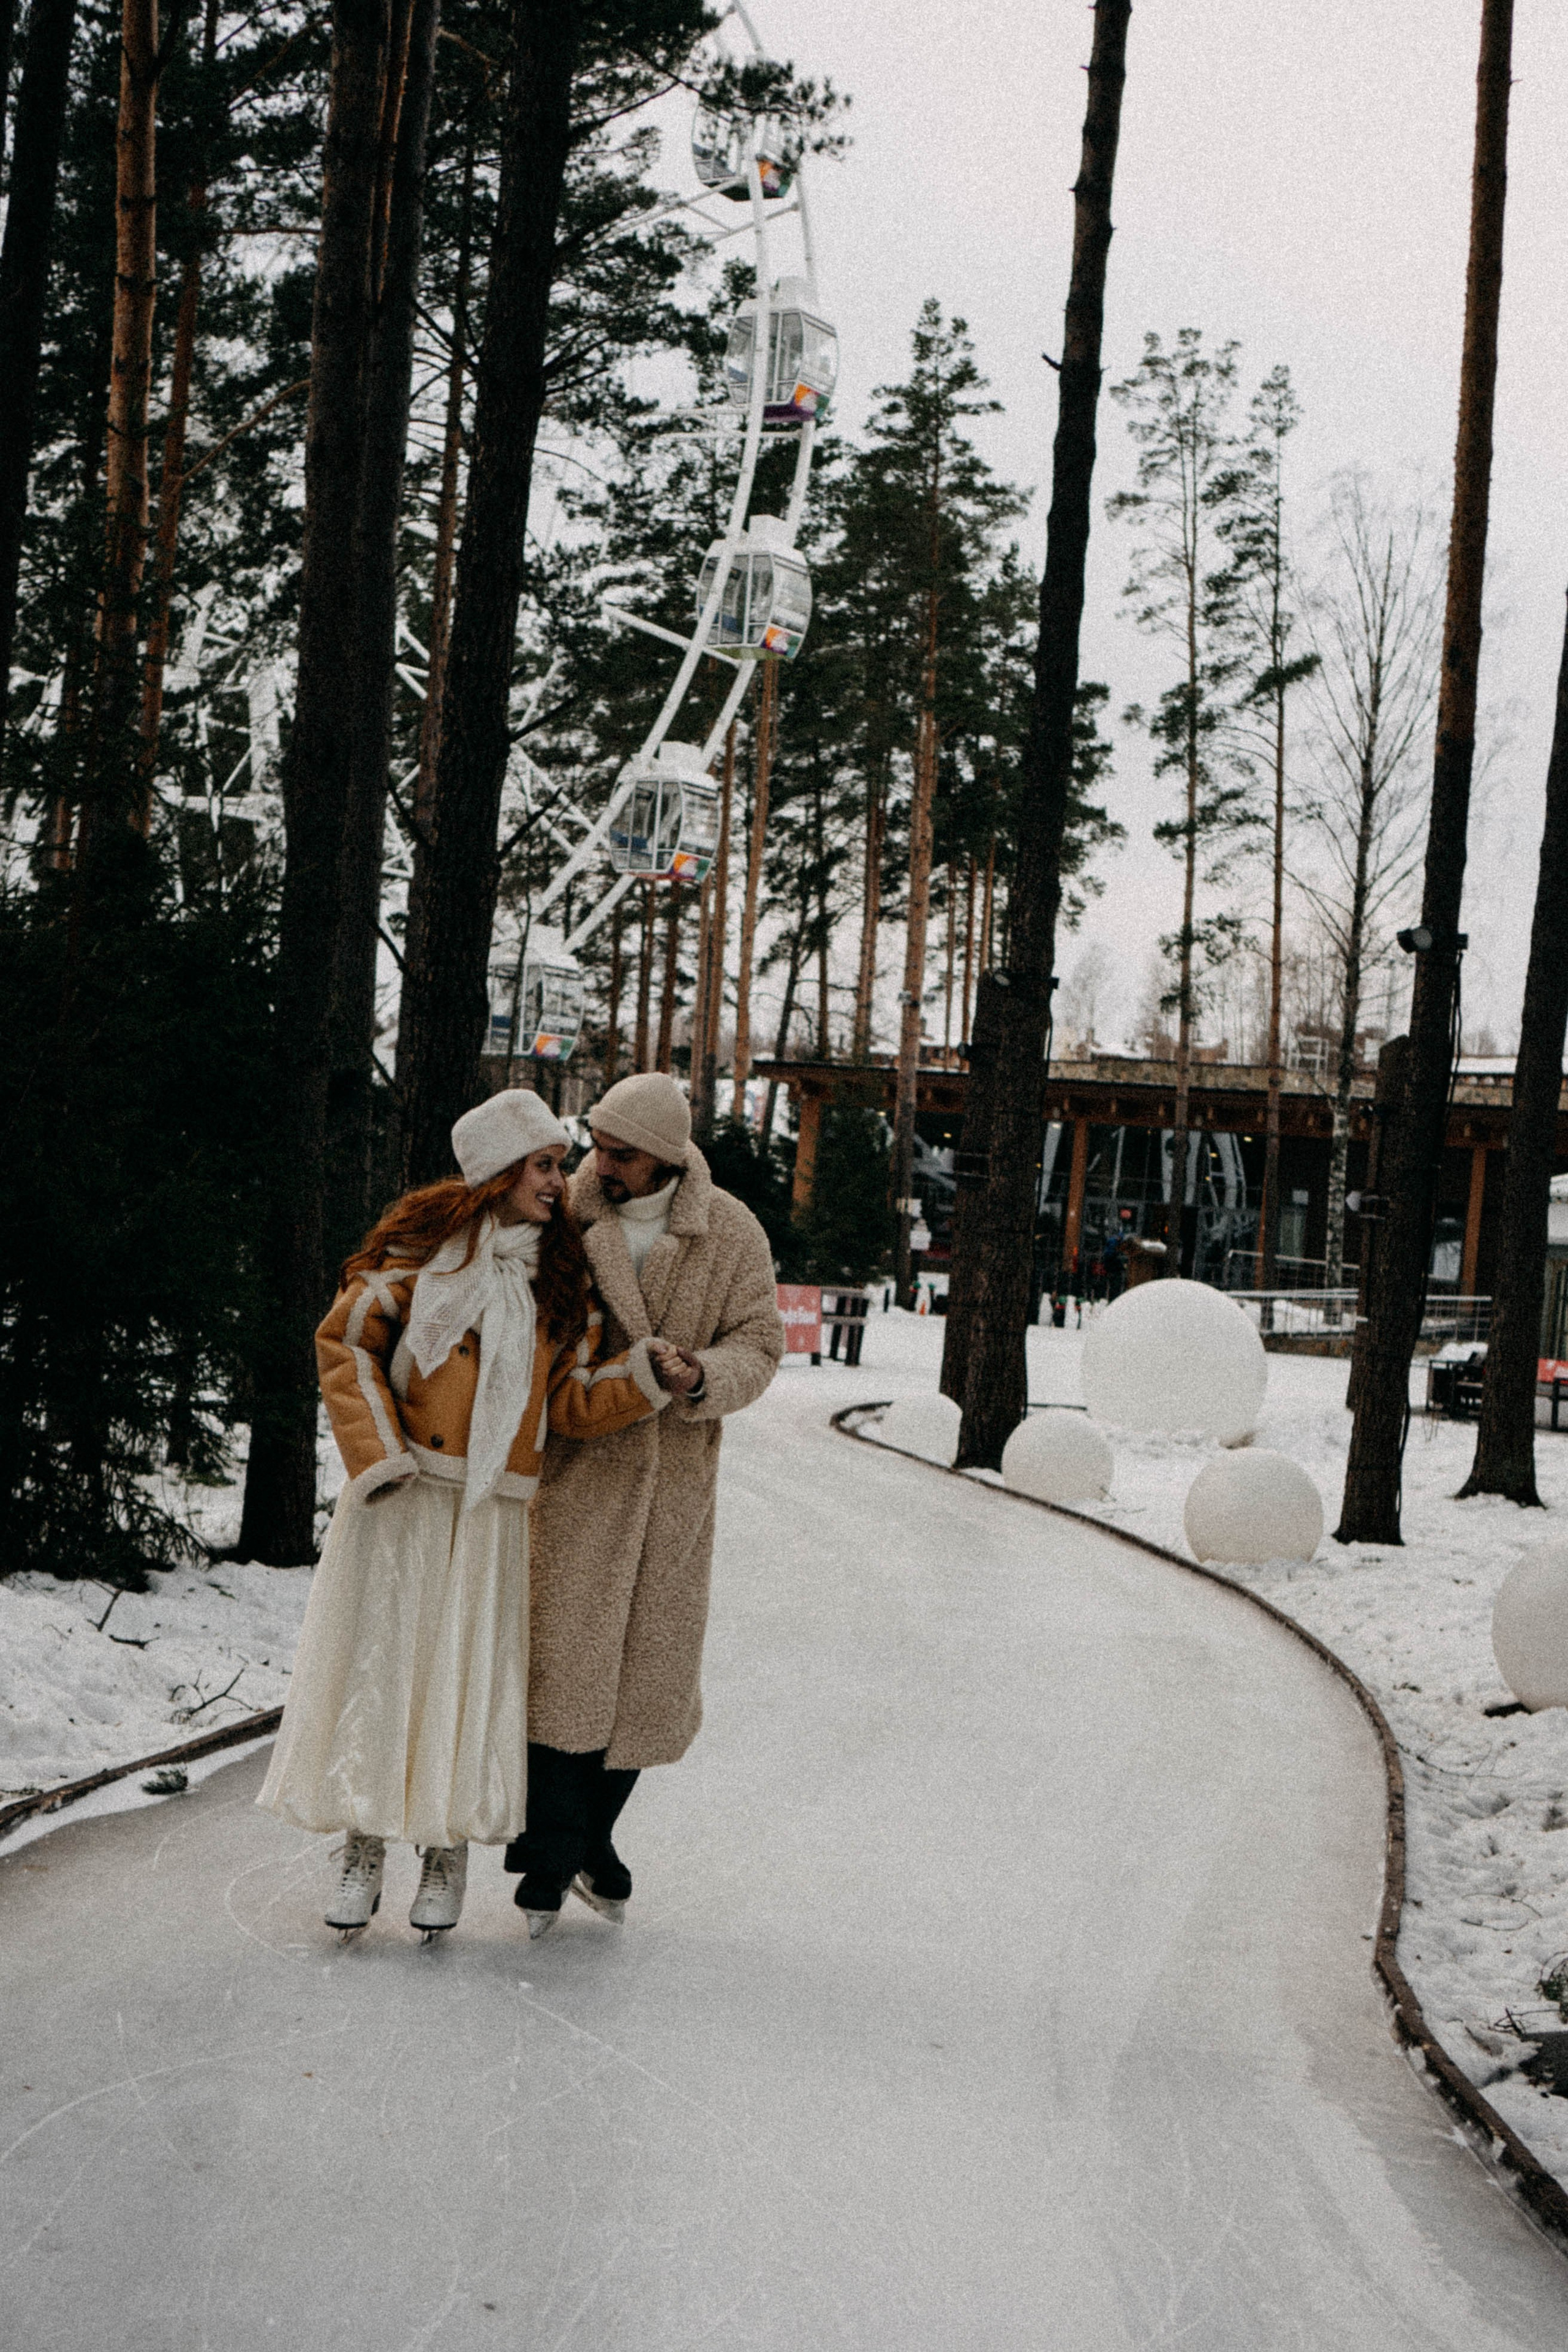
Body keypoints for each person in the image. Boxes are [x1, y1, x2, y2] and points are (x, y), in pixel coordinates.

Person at [257, 1089, 692, 1940]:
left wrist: (642, 1377)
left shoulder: (559, 1276)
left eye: (560, 1167)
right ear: (497, 1170)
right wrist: (377, 1456)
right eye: (544, 1165)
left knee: (464, 1680)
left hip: (494, 1512)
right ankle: (365, 1844)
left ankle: (445, 1851)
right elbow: (346, 1345)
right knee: (385, 1672)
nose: (558, 1182)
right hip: (405, 1496)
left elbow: (566, 1400)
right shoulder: (419, 1257)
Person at [507, 1072, 785, 1937]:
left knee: (647, 1674)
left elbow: (762, 1342)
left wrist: (702, 1376)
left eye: (621, 1153)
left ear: (665, 1159)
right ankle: (552, 1855)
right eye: (597, 1144)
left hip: (672, 1480)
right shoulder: (566, 1217)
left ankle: (597, 1835)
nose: (600, 1164)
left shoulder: (730, 1231)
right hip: (581, 1468)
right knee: (565, 1666)